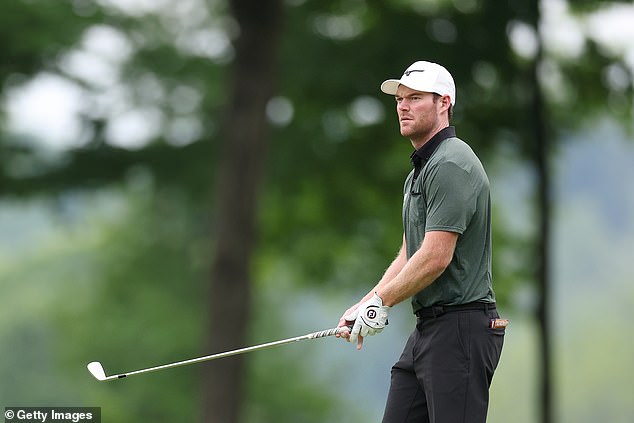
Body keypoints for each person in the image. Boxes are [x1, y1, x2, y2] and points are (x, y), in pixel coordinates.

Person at [337, 61, 505, 423]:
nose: (403, 106)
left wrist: (382, 302)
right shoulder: (422, 169)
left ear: (444, 103)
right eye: (400, 99)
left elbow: (435, 257)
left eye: (415, 98)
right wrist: (365, 304)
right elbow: (411, 252)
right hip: (430, 330)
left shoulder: (451, 163)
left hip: (462, 329)